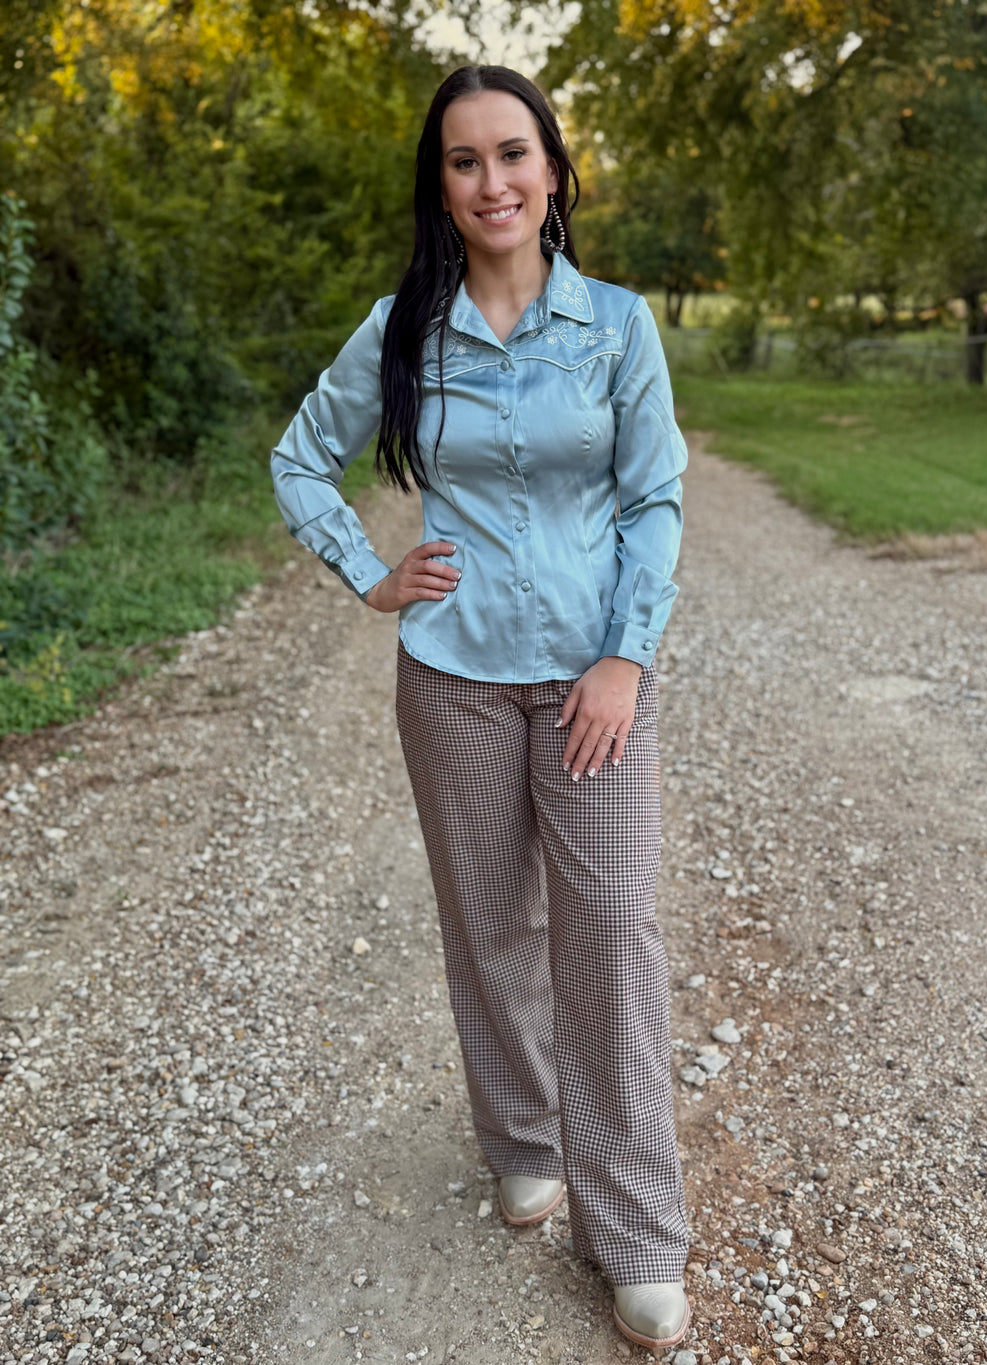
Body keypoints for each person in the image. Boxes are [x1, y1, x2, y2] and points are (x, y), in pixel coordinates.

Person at [270, 64, 691, 1352]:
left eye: (514, 155)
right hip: (449, 670)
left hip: (588, 682)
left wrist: (624, 658)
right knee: (488, 919)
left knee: (610, 931)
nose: (493, 181)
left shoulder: (616, 327)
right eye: (464, 161)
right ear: (441, 186)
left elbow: (653, 501)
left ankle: (634, 1230)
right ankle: (521, 1138)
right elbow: (300, 456)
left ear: (553, 172)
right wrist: (370, 572)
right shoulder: (402, 326)